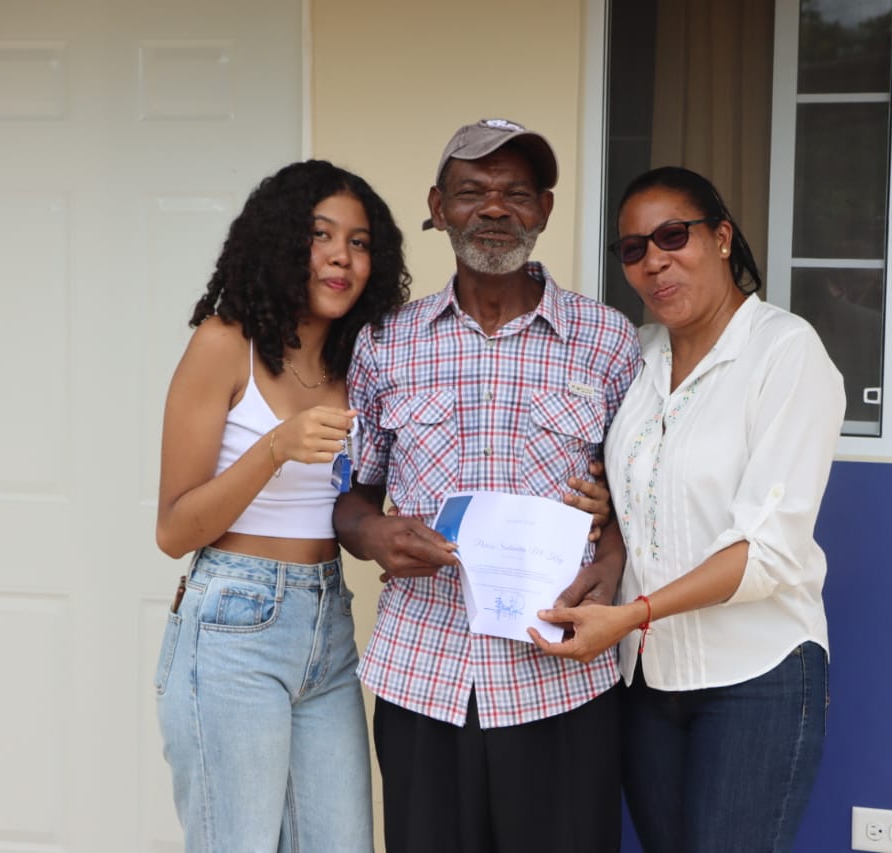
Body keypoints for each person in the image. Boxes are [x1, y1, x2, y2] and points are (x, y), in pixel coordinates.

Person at [333, 118, 641, 853]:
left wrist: (612, 560)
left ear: (545, 210)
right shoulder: (385, 342)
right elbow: (350, 499)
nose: (495, 208)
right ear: (438, 207)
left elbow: (642, 497)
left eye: (517, 193)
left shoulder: (608, 340)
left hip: (560, 676)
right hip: (424, 676)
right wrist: (372, 534)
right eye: (472, 191)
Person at [530, 166, 846, 853]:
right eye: (633, 249)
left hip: (755, 674)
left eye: (673, 236)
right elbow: (640, 495)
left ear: (722, 237)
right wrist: (606, 509)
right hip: (648, 679)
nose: (654, 261)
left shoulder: (785, 352)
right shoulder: (637, 359)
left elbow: (766, 552)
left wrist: (630, 614)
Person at [152, 159, 410, 853]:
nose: (341, 256)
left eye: (359, 242)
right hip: (233, 625)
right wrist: (275, 448)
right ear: (280, 241)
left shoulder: (360, 364)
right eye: (320, 235)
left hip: (328, 624)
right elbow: (173, 529)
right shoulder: (223, 344)